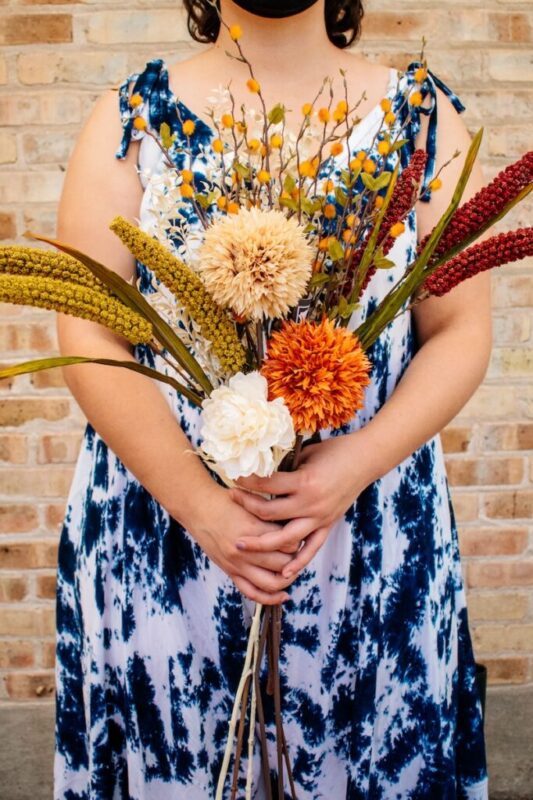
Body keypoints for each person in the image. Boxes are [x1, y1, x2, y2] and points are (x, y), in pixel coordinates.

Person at [53, 0, 490, 797]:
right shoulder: (132, 122)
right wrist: (202, 508)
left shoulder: (420, 121)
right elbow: (87, 329)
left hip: (370, 528)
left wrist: (352, 463)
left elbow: (460, 328)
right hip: (167, 536)